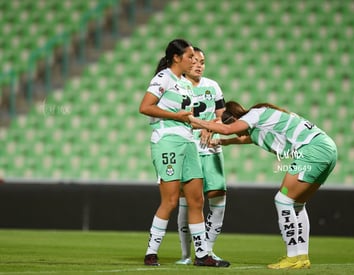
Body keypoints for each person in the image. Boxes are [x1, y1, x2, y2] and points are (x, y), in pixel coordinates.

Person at [189, 101, 338, 270]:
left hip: (312, 150)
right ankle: (301, 256)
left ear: (236, 118)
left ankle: (292, 257)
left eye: (234, 123)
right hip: (327, 148)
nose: (238, 129)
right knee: (297, 204)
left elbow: (228, 129)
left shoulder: (255, 114)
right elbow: (245, 138)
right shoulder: (260, 126)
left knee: (282, 200)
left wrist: (195, 121)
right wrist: (224, 142)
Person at [139, 38, 229, 267]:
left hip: (189, 142)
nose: (194, 60)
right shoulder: (163, 78)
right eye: (190, 56)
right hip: (167, 141)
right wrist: (176, 117)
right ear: (177, 58)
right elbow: (145, 107)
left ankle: (201, 254)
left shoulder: (185, 83)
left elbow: (188, 119)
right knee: (169, 200)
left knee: (196, 200)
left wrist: (213, 127)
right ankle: (151, 252)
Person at [175, 47, 228, 265]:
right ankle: (187, 254)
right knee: (187, 201)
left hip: (213, 148)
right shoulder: (177, 86)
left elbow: (223, 117)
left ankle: (207, 249)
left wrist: (212, 126)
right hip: (189, 149)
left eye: (202, 62)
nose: (199, 65)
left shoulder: (212, 86)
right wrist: (203, 125)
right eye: (194, 60)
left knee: (219, 196)